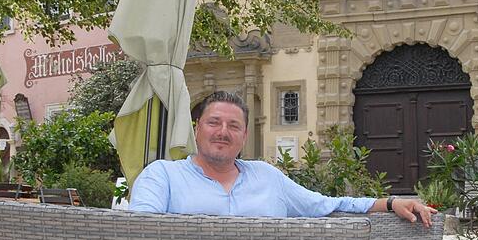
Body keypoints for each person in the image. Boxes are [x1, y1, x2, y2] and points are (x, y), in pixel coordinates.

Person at [129, 91, 437, 227]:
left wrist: (390, 203)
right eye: (214, 123)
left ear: (244, 136)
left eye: (233, 126)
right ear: (197, 130)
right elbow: (140, 233)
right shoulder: (163, 175)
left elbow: (325, 205)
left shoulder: (266, 176)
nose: (223, 132)